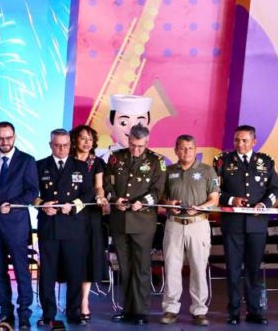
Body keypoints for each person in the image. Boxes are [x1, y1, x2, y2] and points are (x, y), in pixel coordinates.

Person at [213, 125, 277, 325]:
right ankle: (233, 312)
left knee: (253, 269)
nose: (239, 144)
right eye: (236, 140)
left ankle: (254, 310)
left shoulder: (266, 162)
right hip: (233, 224)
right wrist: (232, 200)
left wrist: (264, 204)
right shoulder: (222, 161)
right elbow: (214, 190)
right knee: (233, 270)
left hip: (257, 224)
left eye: (244, 140)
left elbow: (274, 189)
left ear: (254, 142)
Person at [0, 122, 37, 329]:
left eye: (8, 137)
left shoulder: (27, 160)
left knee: (21, 272)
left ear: (15, 137)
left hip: (16, 225)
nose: (5, 142)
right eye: (0, 138)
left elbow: (32, 192)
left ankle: (25, 314)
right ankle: (5, 312)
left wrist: (13, 204)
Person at [104, 124, 164, 325]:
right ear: (128, 139)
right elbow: (107, 184)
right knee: (125, 268)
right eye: (132, 144)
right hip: (120, 221)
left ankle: (141, 311)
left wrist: (143, 202)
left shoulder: (156, 161)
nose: (135, 149)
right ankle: (127, 309)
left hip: (142, 222)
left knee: (141, 268)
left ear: (147, 142)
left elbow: (158, 190)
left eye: (140, 146)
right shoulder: (116, 157)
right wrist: (114, 199)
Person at [33, 130, 93, 326]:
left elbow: (88, 194)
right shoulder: (40, 165)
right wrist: (42, 204)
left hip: (73, 225)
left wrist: (73, 206)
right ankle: (48, 313)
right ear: (50, 145)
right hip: (49, 226)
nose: (61, 149)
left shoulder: (81, 166)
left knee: (75, 272)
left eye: (65, 145)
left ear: (70, 145)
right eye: (57, 145)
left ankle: (74, 312)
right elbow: (31, 193)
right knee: (47, 273)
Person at [160, 135, 219, 327]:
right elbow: (161, 197)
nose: (186, 152)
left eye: (190, 148)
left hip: (198, 224)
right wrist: (168, 203)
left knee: (199, 268)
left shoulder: (207, 170)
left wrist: (200, 208)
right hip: (174, 224)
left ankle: (199, 310)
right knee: (171, 267)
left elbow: (214, 200)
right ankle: (170, 309)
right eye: (182, 148)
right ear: (176, 150)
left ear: (196, 150)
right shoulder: (168, 171)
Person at [69, 125, 109, 324]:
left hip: (90, 214)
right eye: (83, 138)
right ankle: (71, 301)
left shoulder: (96, 162)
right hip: (68, 213)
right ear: (74, 140)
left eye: (90, 139)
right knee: (71, 257)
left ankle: (84, 302)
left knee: (88, 257)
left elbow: (98, 187)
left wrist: (100, 197)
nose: (87, 142)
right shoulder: (66, 160)